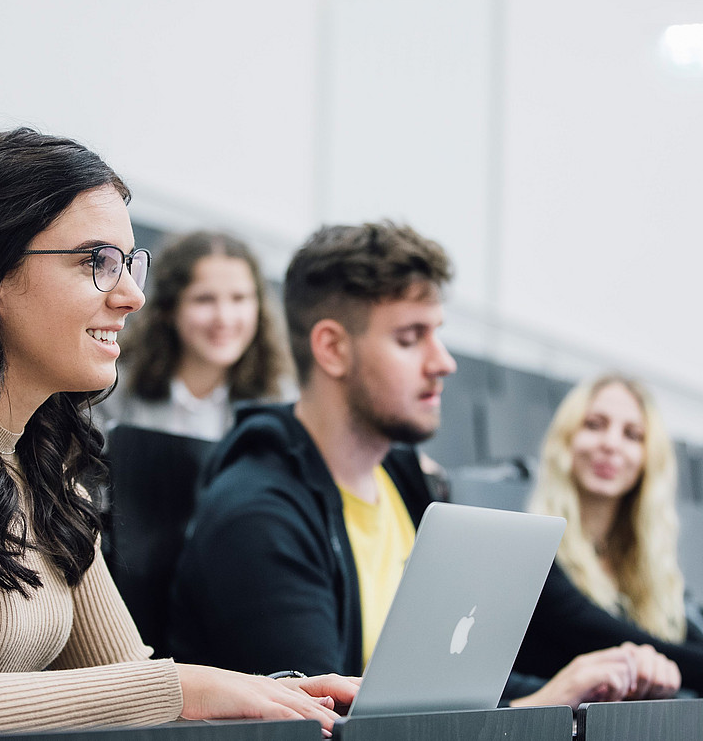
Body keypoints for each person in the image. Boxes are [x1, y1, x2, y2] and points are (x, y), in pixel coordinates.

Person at [0, 128, 358, 740]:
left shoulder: (44, 463)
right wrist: (185, 687)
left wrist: (270, 695)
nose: (132, 296)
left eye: (131, 264)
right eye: (96, 262)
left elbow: (130, 680)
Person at [168, 221, 684, 709]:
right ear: (332, 348)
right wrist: (539, 703)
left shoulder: (407, 484)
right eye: (411, 338)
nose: (443, 362)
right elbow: (328, 724)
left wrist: (572, 689)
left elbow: (437, 689)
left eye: (437, 333)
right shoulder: (257, 516)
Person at [516, 375, 703, 682]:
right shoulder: (532, 550)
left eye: (632, 435)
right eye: (594, 425)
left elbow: (689, 642)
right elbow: (609, 638)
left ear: (648, 459)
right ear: (565, 440)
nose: (611, 444)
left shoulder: (648, 566)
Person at [98, 230, 292, 441]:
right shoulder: (111, 393)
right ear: (169, 308)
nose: (224, 318)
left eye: (239, 298)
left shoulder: (281, 405)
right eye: (205, 299)